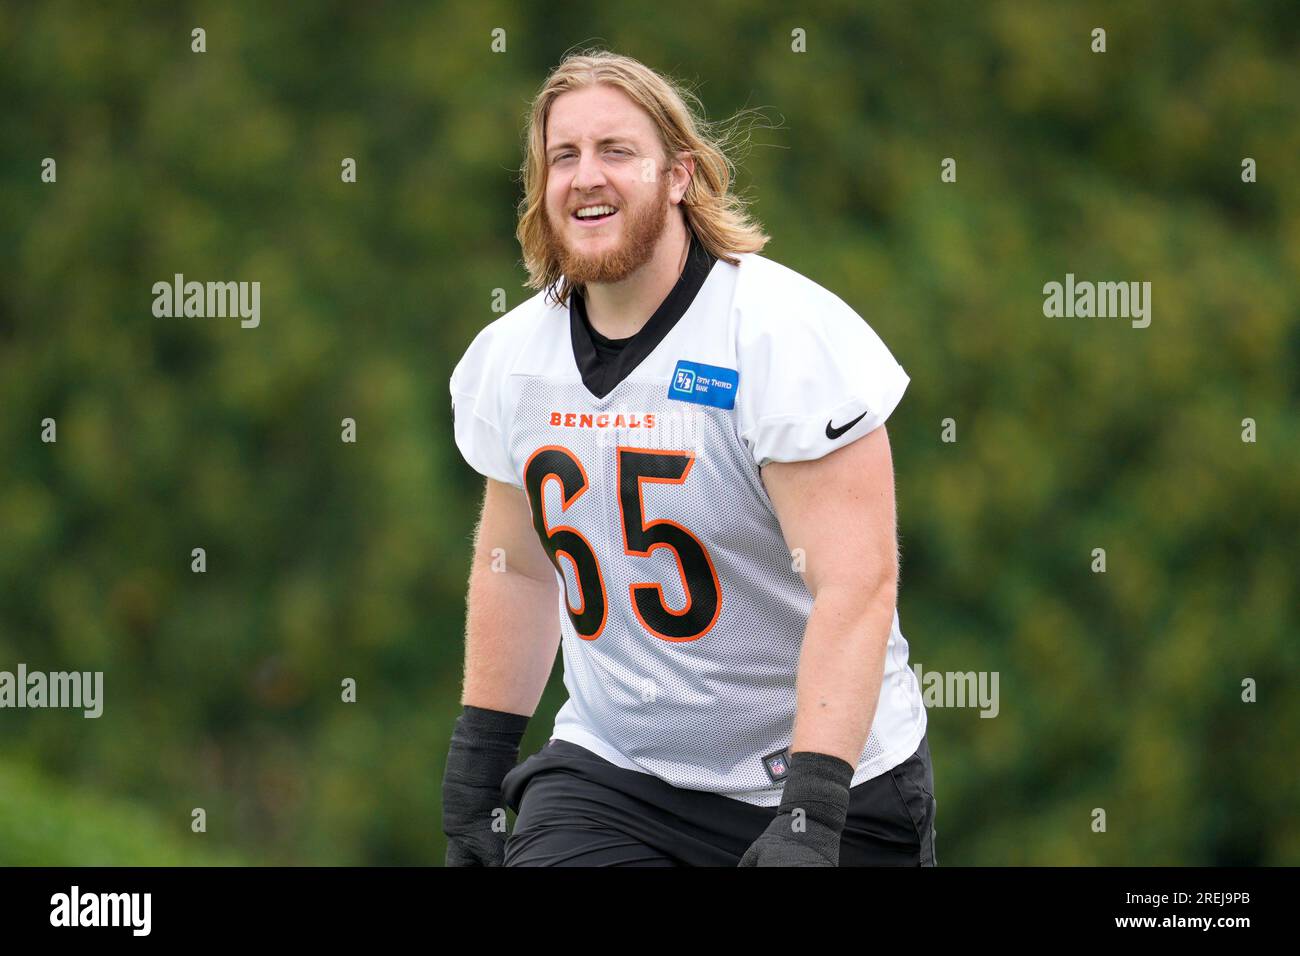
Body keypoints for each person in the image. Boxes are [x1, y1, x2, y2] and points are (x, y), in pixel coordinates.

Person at [443, 49, 936, 867]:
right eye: (563, 156)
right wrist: (476, 772)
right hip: (617, 774)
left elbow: (856, 584)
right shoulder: (514, 357)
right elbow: (517, 570)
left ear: (679, 175)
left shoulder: (778, 335)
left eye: (616, 151)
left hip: (827, 778)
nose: (586, 176)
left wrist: (811, 814)